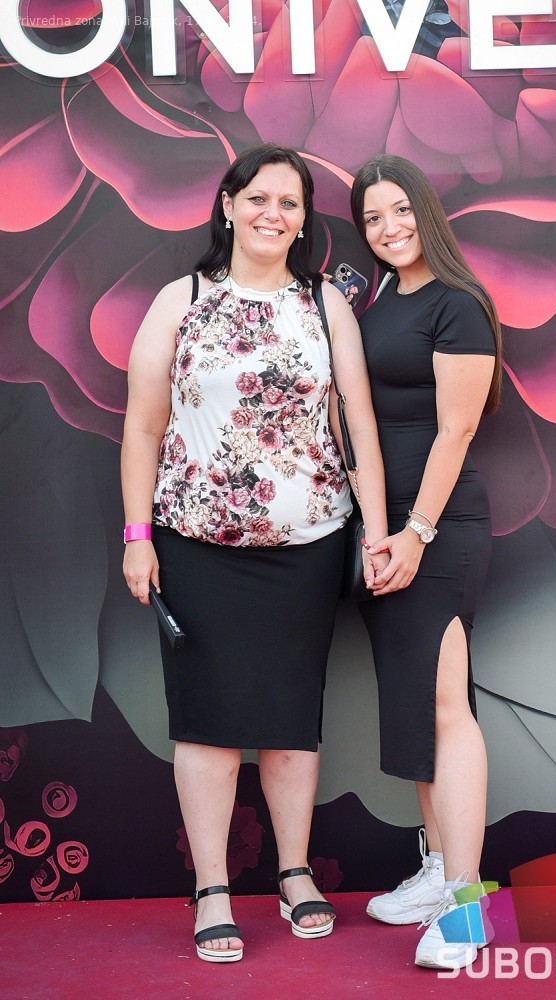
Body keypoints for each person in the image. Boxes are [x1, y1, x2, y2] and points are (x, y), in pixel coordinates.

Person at [121, 144, 390, 963]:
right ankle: (211, 888)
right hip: (196, 545)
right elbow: (142, 426)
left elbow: (356, 424)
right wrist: (137, 537)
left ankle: (294, 874)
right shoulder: (180, 301)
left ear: (303, 220)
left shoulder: (323, 305)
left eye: (290, 203)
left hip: (307, 545)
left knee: (289, 720)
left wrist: (378, 529)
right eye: (259, 198)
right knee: (206, 723)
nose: (274, 214)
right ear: (228, 206)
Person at [350, 154, 502, 970]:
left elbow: (457, 429)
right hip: (389, 530)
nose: (389, 228)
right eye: (372, 217)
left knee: (445, 707)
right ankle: (440, 870)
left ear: (426, 212)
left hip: (439, 529)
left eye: (400, 210)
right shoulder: (383, 304)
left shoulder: (456, 303)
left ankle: (468, 908)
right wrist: (380, 532)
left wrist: (414, 533)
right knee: (416, 703)